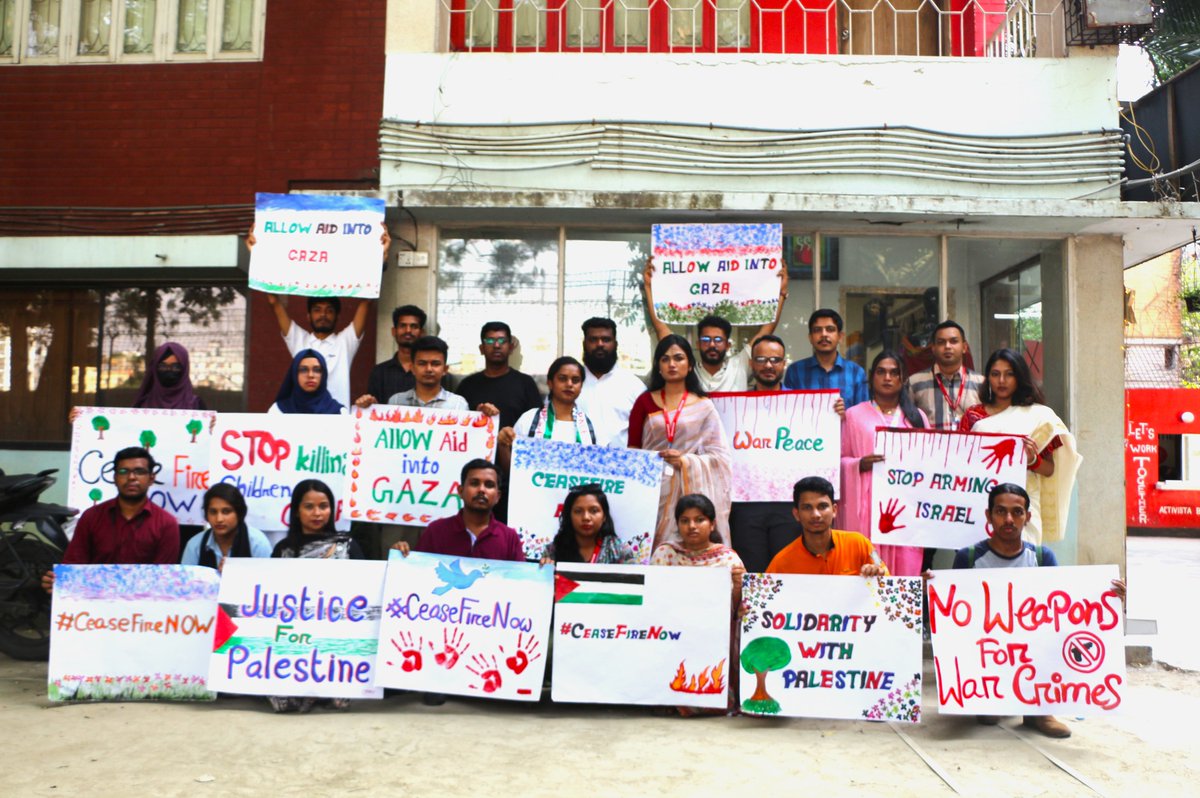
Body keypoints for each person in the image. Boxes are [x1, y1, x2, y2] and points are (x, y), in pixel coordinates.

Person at [945, 482, 1126, 739]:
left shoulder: (1042, 558)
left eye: (1017, 512)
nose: (1009, 519)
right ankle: (988, 696)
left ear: (1028, 517)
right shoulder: (969, 557)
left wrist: (1109, 597)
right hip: (987, 648)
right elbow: (951, 614)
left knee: (1052, 632)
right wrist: (931, 588)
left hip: (1032, 646)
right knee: (987, 716)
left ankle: (1039, 710)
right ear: (989, 515)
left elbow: (1066, 609)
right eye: (1001, 511)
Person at [250, 225, 388, 408]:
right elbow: (274, 302)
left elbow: (366, 302)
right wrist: (258, 254)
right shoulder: (299, 341)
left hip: (337, 421)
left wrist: (380, 258)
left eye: (329, 310)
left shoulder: (344, 343)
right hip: (304, 420)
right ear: (308, 316)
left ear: (337, 316)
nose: (323, 314)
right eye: (317, 309)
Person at [958, 348, 1081, 544]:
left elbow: (1050, 470)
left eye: (1009, 374)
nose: (1001, 381)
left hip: (1024, 505)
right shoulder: (973, 416)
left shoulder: (1039, 416)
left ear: (1020, 377)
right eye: (995, 374)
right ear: (987, 378)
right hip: (980, 502)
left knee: (1023, 564)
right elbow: (959, 462)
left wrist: (1032, 459)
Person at [269, 479, 365, 713]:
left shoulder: (347, 545)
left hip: (337, 632)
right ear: (296, 511)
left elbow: (365, 589)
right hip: (294, 635)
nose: (317, 513)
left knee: (340, 702)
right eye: (309, 507)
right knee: (284, 703)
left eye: (323, 506)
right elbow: (269, 595)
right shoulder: (284, 550)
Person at [629, 335, 732, 549]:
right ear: (658, 366)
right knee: (654, 549)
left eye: (678, 358)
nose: (672, 364)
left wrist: (686, 461)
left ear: (690, 365)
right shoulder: (644, 402)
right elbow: (633, 451)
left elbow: (720, 455)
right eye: (665, 359)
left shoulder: (704, 406)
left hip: (691, 492)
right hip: (651, 490)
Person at [651, 493, 746, 716]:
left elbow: (738, 608)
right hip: (673, 630)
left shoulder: (728, 559)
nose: (692, 526)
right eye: (685, 521)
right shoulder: (666, 554)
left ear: (712, 524)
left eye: (699, 520)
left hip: (713, 635)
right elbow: (653, 599)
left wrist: (739, 587)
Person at [41, 447, 180, 592]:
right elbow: (74, 564)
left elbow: (163, 579)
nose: (131, 477)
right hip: (94, 605)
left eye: (139, 471)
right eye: (123, 471)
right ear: (114, 478)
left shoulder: (166, 524)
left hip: (142, 607)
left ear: (151, 478)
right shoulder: (91, 517)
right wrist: (58, 581)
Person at [839, 351, 928, 576]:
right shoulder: (854, 415)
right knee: (867, 568)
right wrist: (859, 463)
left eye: (893, 372)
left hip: (906, 509)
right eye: (881, 372)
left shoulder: (917, 418)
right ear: (872, 377)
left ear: (903, 378)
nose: (887, 377)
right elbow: (838, 462)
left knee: (905, 570)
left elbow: (929, 466)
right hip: (867, 510)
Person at [642, 258, 789, 392]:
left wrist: (781, 293)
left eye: (718, 340)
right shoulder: (687, 369)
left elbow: (765, 332)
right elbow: (662, 330)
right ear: (698, 344)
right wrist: (649, 287)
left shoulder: (739, 366)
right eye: (706, 340)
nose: (712, 344)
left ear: (728, 345)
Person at [727, 334, 804, 573]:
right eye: (761, 359)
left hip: (788, 503)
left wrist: (834, 414)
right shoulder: (733, 404)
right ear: (751, 364)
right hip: (746, 505)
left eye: (775, 359)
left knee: (788, 573)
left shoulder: (804, 404)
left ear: (783, 364)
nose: (768, 365)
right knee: (752, 573)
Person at [392, 459, 526, 562]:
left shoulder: (509, 538)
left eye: (489, 485)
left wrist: (544, 570)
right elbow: (416, 573)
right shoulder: (436, 531)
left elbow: (522, 583)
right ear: (460, 491)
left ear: (498, 496)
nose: (481, 490)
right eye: (474, 483)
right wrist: (400, 556)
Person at [766, 477, 888, 576]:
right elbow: (764, 602)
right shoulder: (781, 562)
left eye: (822, 506)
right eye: (807, 508)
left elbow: (883, 569)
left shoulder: (861, 542)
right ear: (796, 514)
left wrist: (878, 571)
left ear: (834, 510)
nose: (816, 515)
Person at [497, 356, 598, 469]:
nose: (569, 384)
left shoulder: (591, 425)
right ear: (550, 383)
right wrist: (503, 446)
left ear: (581, 386)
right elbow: (511, 471)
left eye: (575, 380)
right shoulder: (528, 419)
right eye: (562, 378)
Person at [68, 341, 204, 423]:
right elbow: (120, 431)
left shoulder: (196, 405)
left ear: (184, 368)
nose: (169, 370)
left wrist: (215, 426)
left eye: (176, 366)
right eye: (163, 366)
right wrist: (82, 420)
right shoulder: (143, 405)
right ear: (155, 369)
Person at [456, 321, 543, 430]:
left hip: (514, 446)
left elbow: (538, 424)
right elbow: (457, 426)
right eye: (490, 340)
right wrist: (476, 416)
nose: (496, 345)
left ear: (511, 348)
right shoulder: (467, 385)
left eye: (502, 340)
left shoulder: (526, 383)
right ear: (481, 348)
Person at [575, 317, 647, 448]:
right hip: (576, 464)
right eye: (593, 339)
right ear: (584, 344)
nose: (600, 344)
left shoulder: (634, 386)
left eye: (606, 339)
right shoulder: (570, 385)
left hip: (623, 465)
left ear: (615, 344)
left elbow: (647, 433)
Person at [354, 336, 472, 411]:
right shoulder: (395, 402)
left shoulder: (458, 405)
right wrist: (370, 409)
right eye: (422, 363)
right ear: (412, 368)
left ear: (445, 369)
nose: (429, 369)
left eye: (435, 364)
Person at [905, 320, 985, 431]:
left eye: (954, 341)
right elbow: (906, 423)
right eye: (941, 342)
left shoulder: (980, 383)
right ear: (933, 348)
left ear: (964, 347)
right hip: (931, 447)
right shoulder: (915, 383)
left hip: (969, 447)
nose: (947, 346)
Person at [782, 308, 868, 409]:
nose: (824, 334)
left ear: (840, 337)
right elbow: (787, 412)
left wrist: (846, 415)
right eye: (817, 330)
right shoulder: (795, 371)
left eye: (830, 329)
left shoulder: (856, 373)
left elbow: (863, 416)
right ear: (810, 337)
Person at [180, 483, 271, 570]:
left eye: (226, 512)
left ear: (239, 513)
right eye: (213, 512)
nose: (219, 519)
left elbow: (268, 581)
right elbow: (186, 583)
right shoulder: (195, 545)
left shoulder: (257, 543)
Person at [540, 484, 636, 565]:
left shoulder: (619, 549)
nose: (586, 517)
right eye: (578, 511)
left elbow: (634, 584)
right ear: (569, 516)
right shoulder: (553, 550)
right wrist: (546, 571)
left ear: (604, 516)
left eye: (594, 511)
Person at [365, 304, 430, 403]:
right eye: (403, 326)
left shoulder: (430, 372)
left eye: (414, 326)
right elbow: (373, 410)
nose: (408, 330)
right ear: (394, 331)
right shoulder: (379, 373)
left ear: (422, 333)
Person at [268, 349, 345, 414]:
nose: (310, 375)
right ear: (294, 374)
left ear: (323, 375)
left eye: (317, 370)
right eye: (303, 370)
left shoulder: (340, 412)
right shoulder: (278, 411)